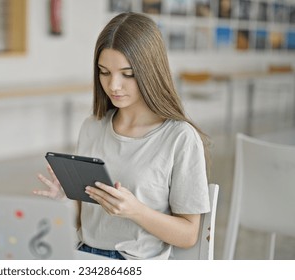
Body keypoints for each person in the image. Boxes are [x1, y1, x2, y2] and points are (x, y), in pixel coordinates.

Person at [34, 12, 211, 260]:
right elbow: (83, 222)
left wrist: (136, 211)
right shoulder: (92, 126)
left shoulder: (180, 137)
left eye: (127, 74)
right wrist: (65, 199)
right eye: (104, 72)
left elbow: (189, 234)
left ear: (151, 71)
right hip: (84, 255)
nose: (114, 85)